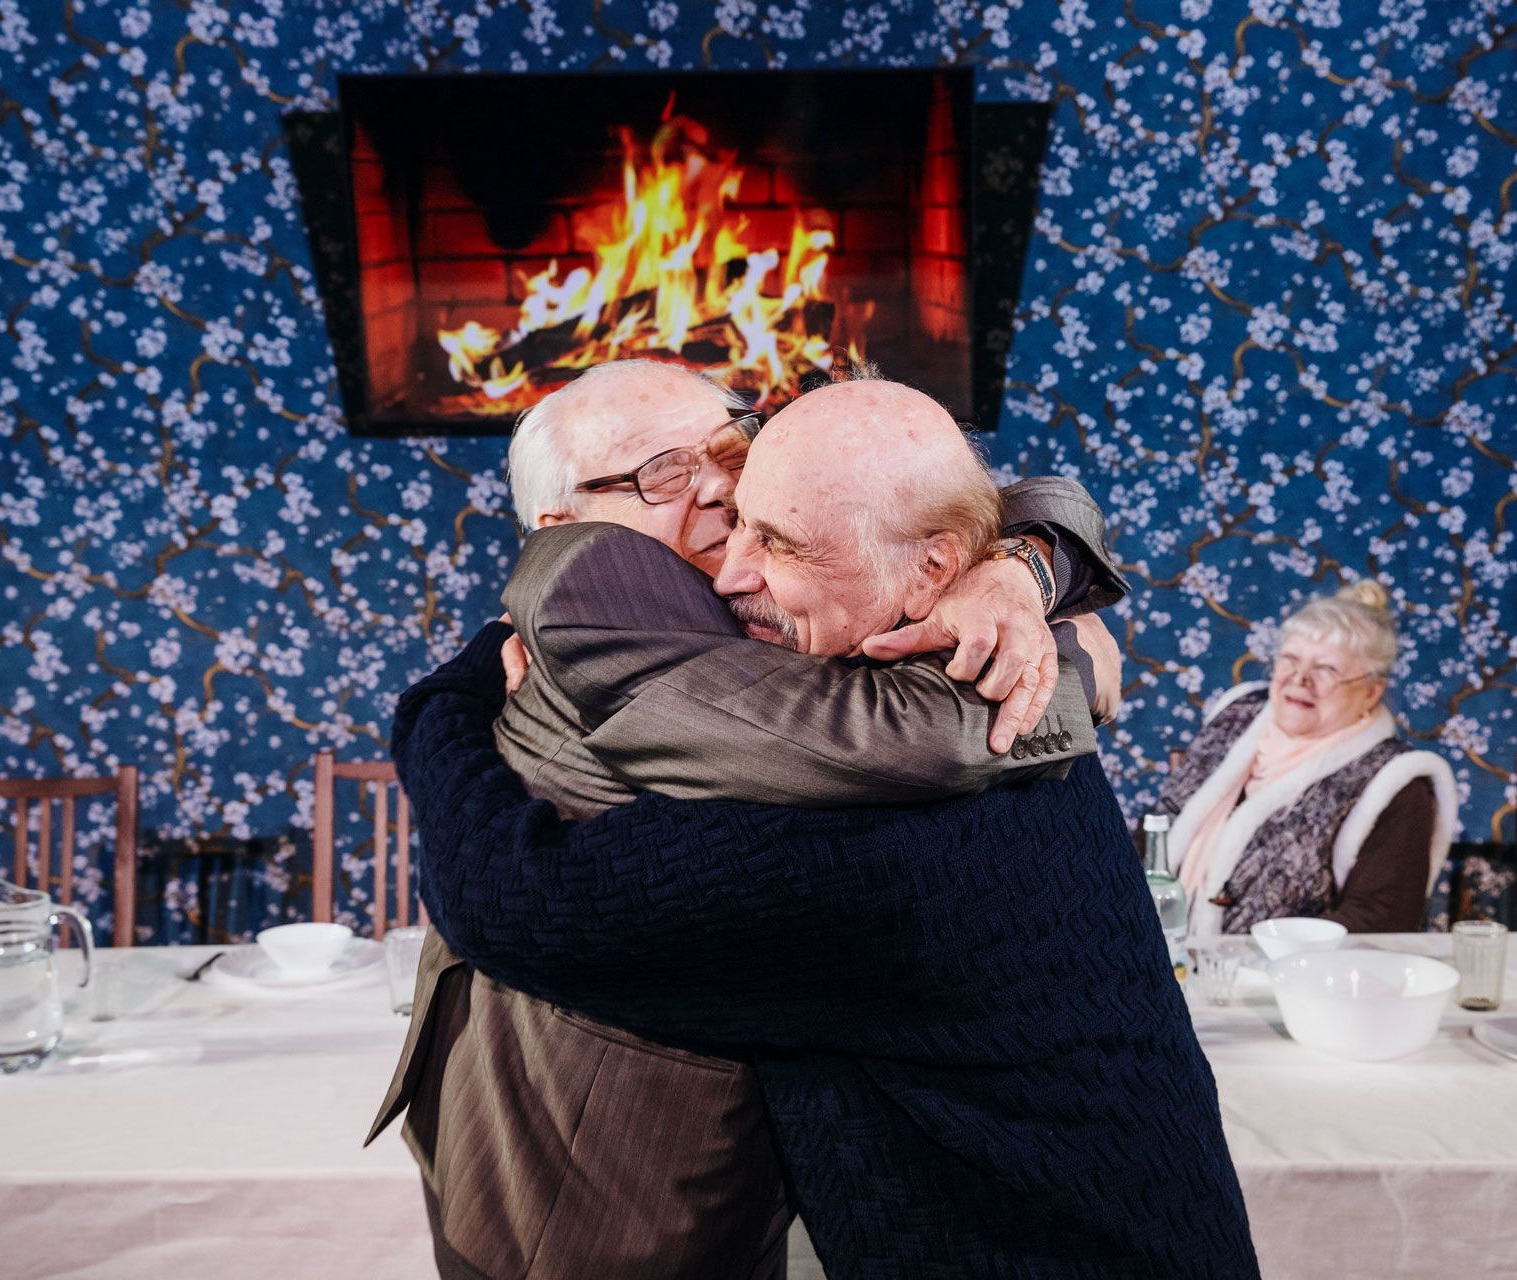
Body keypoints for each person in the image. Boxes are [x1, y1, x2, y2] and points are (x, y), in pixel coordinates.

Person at [394, 373, 1258, 1277]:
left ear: (933, 569)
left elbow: (509, 896)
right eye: (661, 474)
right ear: (562, 527)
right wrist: (1040, 588)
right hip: (563, 1195)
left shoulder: (886, 805)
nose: (722, 497)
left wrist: (1041, 590)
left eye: (735, 461)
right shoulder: (661, 630)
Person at [1153, 579, 1459, 934]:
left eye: (1326, 670)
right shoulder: (1235, 717)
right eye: (1290, 660)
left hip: (1289, 970)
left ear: (1371, 692)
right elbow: (1156, 830)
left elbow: (1380, 920)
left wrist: (1261, 959)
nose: (1299, 679)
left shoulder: (1395, 784)